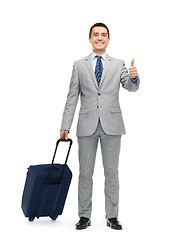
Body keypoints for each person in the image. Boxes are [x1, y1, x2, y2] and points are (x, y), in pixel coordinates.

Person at [60, 22, 140, 230]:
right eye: (95, 35)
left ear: (108, 39)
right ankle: (84, 216)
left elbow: (131, 88)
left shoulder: (119, 63)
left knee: (111, 172)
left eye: (103, 35)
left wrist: (133, 77)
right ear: (90, 39)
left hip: (112, 125)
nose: (99, 38)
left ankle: (112, 216)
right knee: (85, 173)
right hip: (86, 125)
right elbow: (72, 97)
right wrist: (65, 125)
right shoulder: (79, 65)